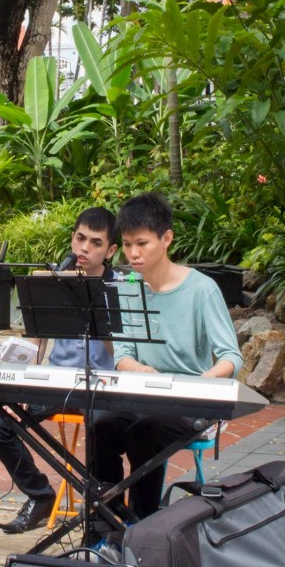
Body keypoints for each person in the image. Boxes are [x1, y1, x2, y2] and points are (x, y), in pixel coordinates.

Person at [92, 192, 242, 520]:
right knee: (101, 425)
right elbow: (122, 354)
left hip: (188, 403)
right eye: (127, 244)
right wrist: (138, 369)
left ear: (166, 239)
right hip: (144, 395)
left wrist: (206, 379)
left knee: (144, 433)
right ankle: (108, 522)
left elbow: (231, 356)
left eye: (142, 243)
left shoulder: (201, 289)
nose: (133, 253)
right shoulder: (128, 288)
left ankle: (143, 524)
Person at [0, 206, 118, 534]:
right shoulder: (55, 279)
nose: (84, 248)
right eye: (80, 238)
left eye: (95, 243)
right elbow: (36, 340)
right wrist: (18, 379)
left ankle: (106, 514)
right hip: (58, 382)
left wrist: (99, 314)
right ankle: (40, 496)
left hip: (104, 386)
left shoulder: (120, 287)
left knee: (106, 429)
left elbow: (125, 353)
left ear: (111, 250)